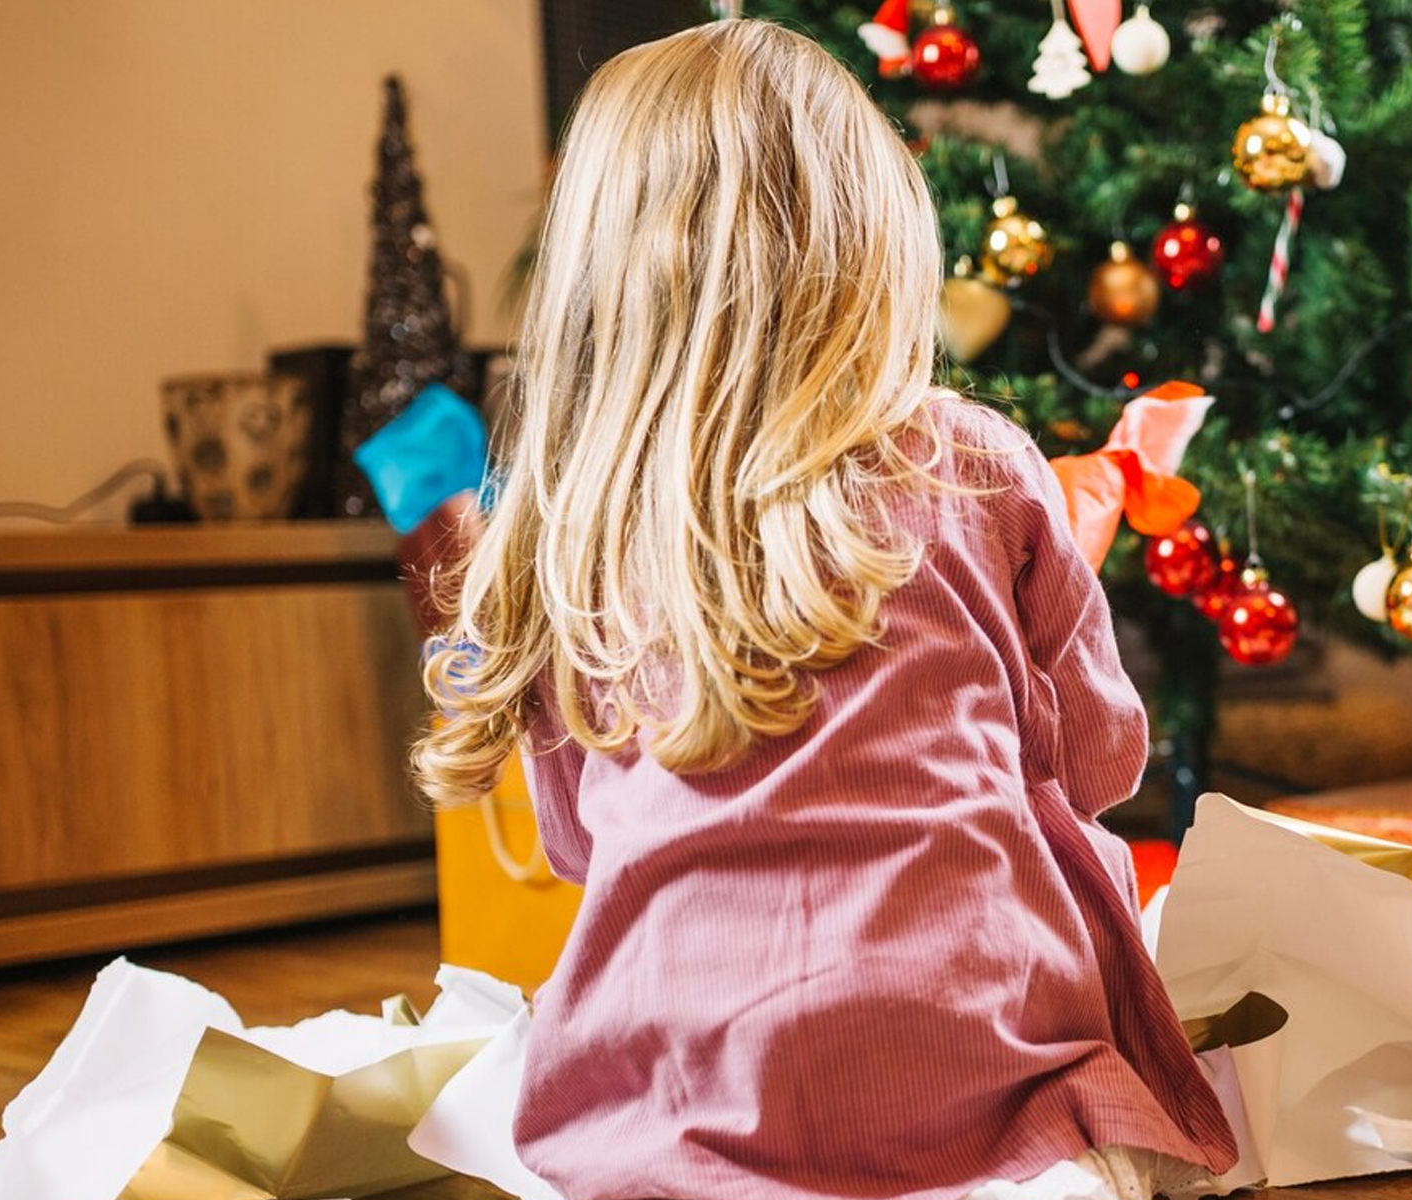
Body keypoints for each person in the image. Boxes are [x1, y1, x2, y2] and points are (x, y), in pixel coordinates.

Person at [412, 20, 1236, 1200]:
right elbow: (1099, 758)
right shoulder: (973, 460)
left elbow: (575, 842)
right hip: (980, 1069)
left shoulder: (565, 521)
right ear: (876, 239)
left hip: (680, 1110)